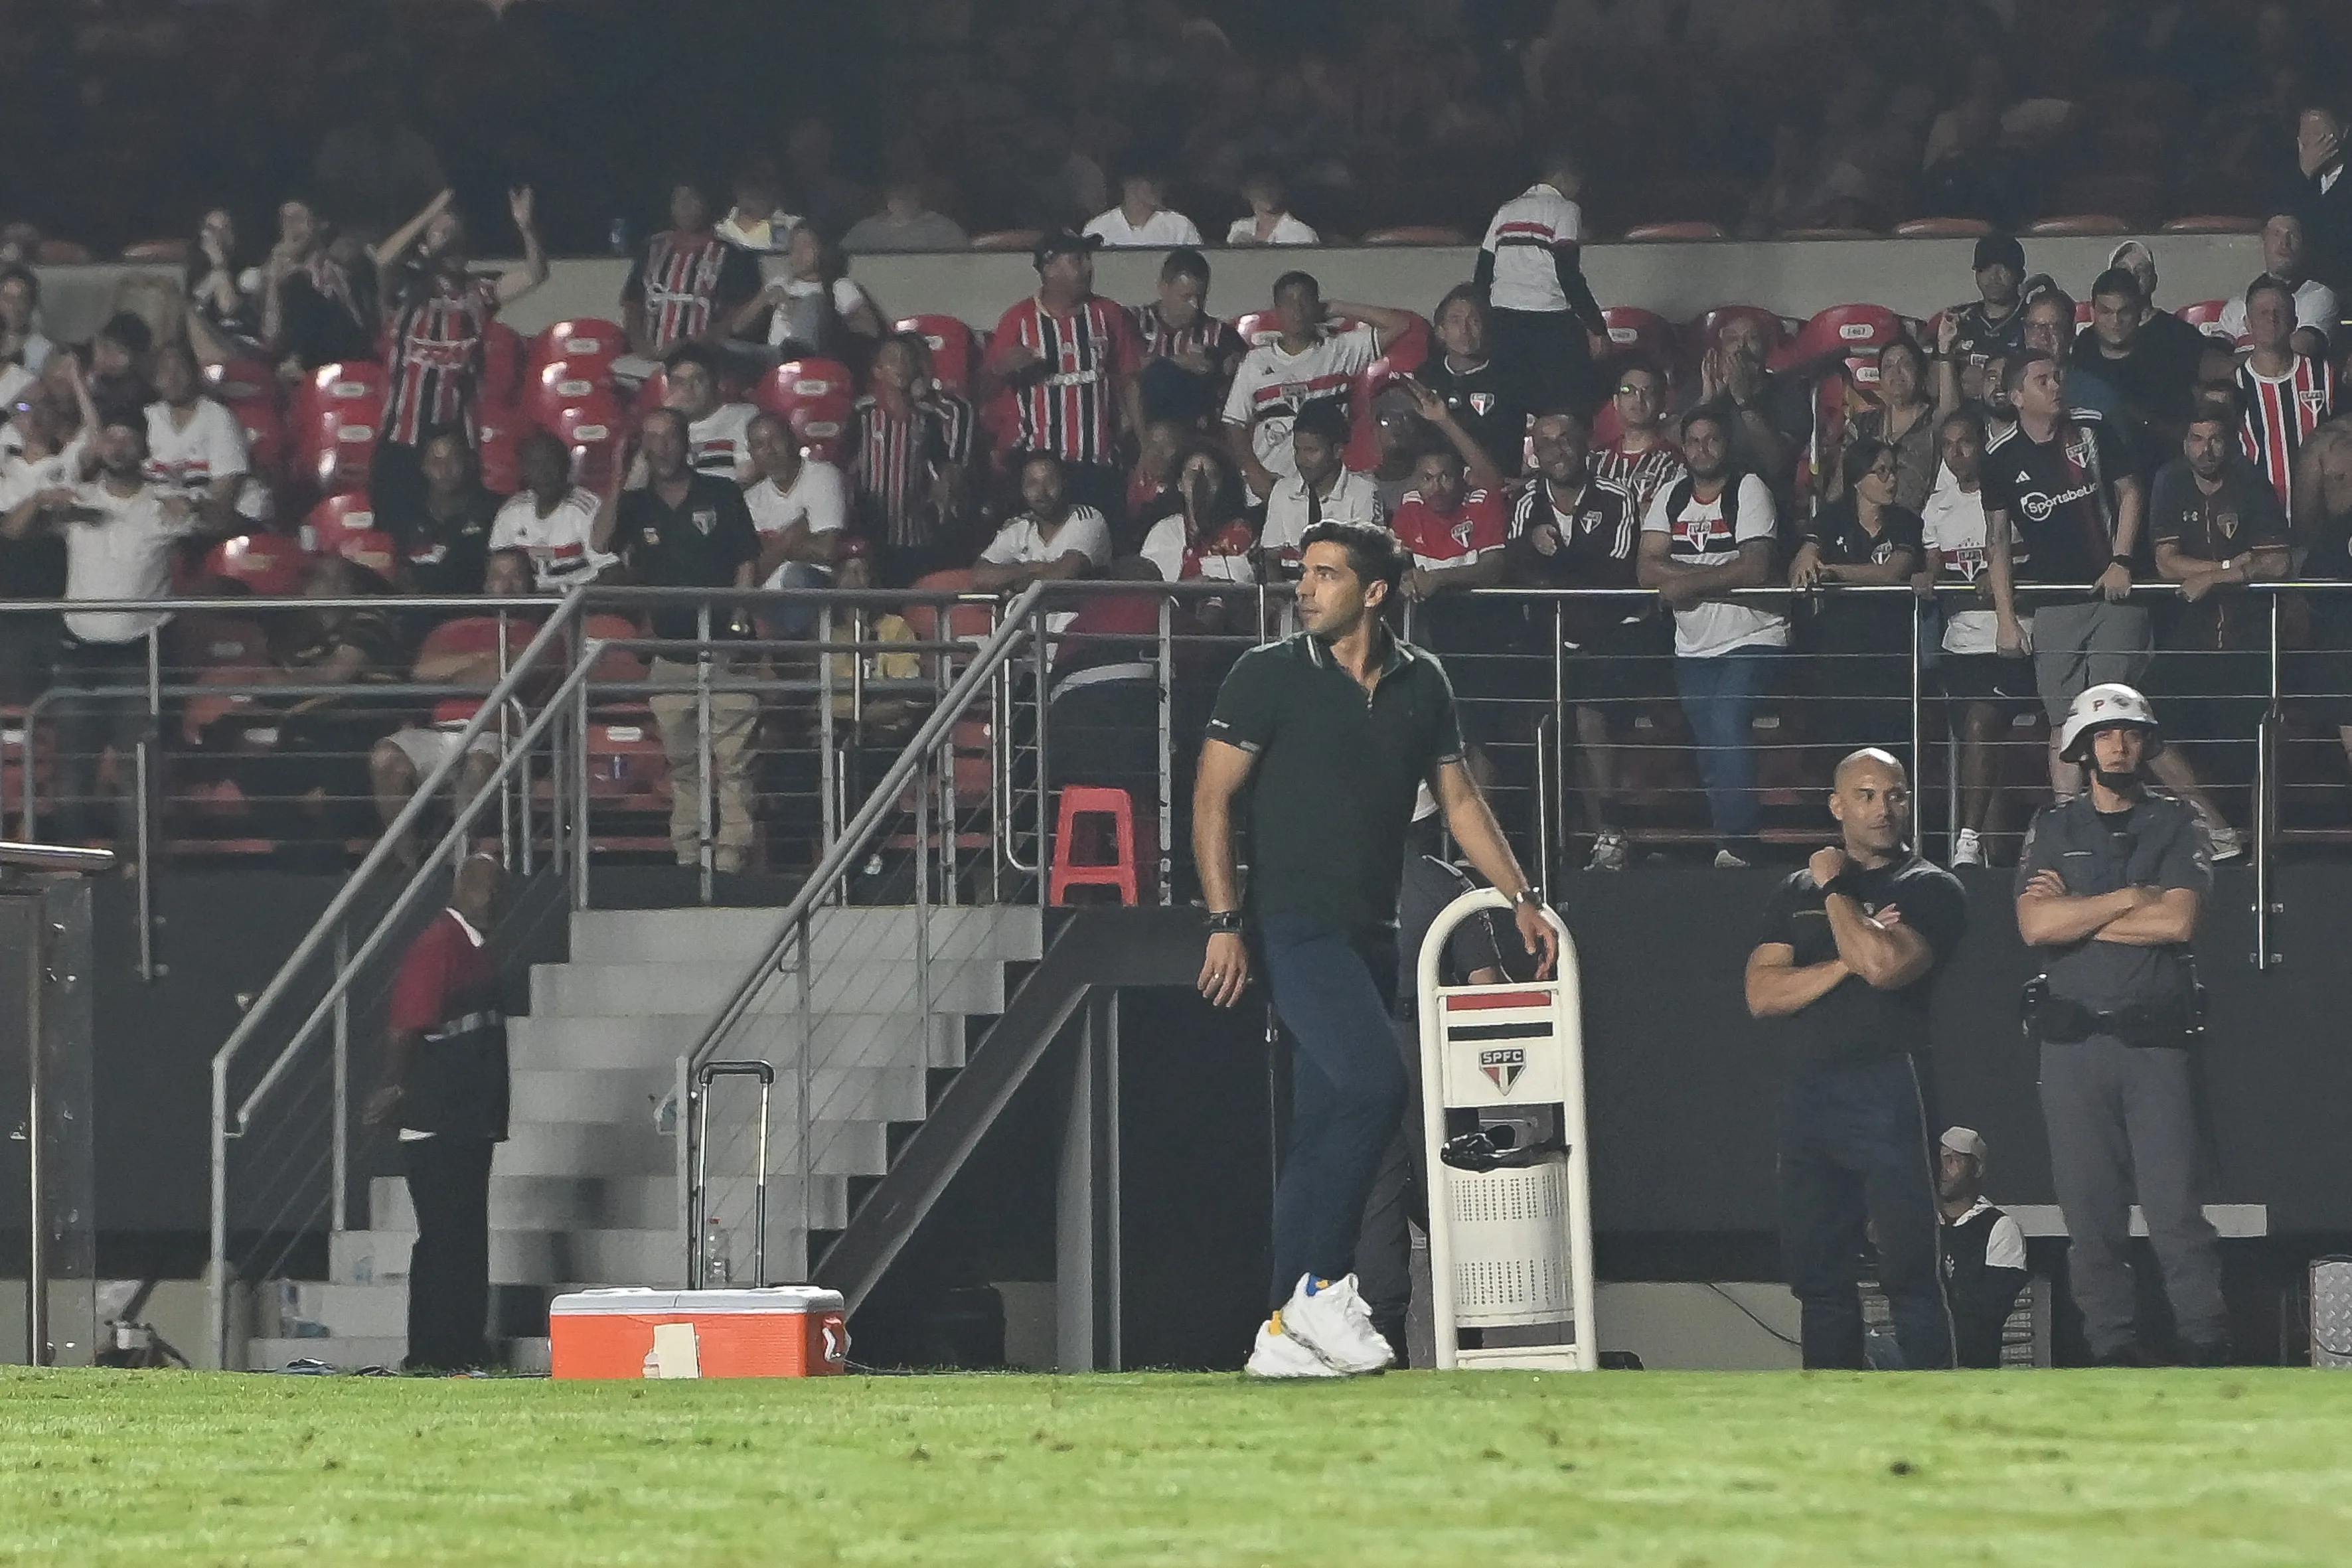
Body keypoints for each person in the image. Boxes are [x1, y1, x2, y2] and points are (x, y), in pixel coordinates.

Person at [1193, 519, 1557, 1379]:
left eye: (1325, 574)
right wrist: (1221, 920)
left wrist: (1520, 898)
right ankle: (1322, 1285)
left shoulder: (1420, 681)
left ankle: (1283, 1329)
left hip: (1372, 933)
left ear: (1374, 591)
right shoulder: (1266, 675)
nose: (1305, 587)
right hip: (1293, 925)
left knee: (1325, 1125)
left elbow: (1459, 801)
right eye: (1303, 574)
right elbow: (1210, 799)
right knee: (1375, 1083)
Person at [2017, 684, 2228, 1366]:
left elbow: (2180, 921)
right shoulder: (2053, 826)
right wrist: (2131, 897)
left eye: (2131, 733)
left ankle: (2204, 1345)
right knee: (2090, 1221)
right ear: (2082, 746)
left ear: (2147, 743)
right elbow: (2036, 925)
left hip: (2154, 1044)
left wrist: (2083, 912)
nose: (2119, 744)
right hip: (2073, 1048)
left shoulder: (2178, 822)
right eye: (2106, 734)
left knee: (2176, 1217)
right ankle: (2111, 1353)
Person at [1745, 747, 1963, 1370]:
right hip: (1810, 1091)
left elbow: (1887, 967)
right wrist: (1847, 956)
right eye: (1866, 795)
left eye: (1895, 795)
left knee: (1909, 1271)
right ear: (1837, 806)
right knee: (1819, 1276)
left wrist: (1836, 889)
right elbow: (1762, 995)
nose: (1882, 809)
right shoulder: (1791, 891)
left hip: (1892, 1084)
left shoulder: (1930, 887)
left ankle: (1935, 1413)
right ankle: (1827, 1411)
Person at [1, 415, 220, 858]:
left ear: (144, 448)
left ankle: (137, 870)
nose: (119, 446)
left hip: (140, 657)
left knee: (136, 770)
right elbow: (11, 530)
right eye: (111, 437)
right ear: (99, 448)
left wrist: (195, 510)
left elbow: (219, 525)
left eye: (128, 437)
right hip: (79, 654)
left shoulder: (163, 505)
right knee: (73, 770)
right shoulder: (77, 500)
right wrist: (42, 497)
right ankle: (70, 867)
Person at [1353, 812, 1511, 1364]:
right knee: (1456, 1196)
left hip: (1353, 1049)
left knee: (1375, 1202)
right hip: (1426, 1050)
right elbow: (1486, 989)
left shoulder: (1336, 875)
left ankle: (1381, 1354)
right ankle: (1474, 1345)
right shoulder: (1443, 882)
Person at [591, 407, 764, 872]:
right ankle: (689, 854)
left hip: (724, 647)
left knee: (733, 761)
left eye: (668, 437)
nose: (661, 448)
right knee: (682, 763)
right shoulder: (637, 503)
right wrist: (618, 475)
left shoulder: (721, 492)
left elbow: (746, 561)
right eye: (651, 439)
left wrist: (738, 619)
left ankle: (732, 856)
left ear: (686, 441)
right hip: (669, 651)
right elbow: (601, 541)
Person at [364, 852, 508, 1372]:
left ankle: (462, 1344)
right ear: (459, 888)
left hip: (467, 1118)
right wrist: (397, 1087)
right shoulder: (439, 947)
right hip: (439, 1118)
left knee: (464, 1238)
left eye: (497, 890)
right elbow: (407, 1025)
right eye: (482, 888)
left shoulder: (473, 949)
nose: (490, 899)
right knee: (447, 1240)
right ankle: (433, 1351)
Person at [1638, 408, 1786, 868]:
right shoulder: (1670, 494)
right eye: (1694, 441)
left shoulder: (1748, 489)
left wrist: (1683, 583)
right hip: (1693, 645)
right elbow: (1645, 568)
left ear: (1726, 444)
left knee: (1726, 724)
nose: (1702, 450)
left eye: (1711, 440)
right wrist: (1714, 575)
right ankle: (1727, 842)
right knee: (1707, 745)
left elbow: (1756, 567)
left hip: (1755, 636)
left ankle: (1741, 841)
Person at [1508, 407, 1655, 870]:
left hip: (1614, 636)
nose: (1558, 450)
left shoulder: (1616, 496)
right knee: (1532, 720)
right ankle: (1544, 843)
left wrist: (1554, 565)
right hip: (1548, 639)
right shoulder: (1525, 503)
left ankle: (1610, 833)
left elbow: (1614, 576)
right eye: (1546, 442)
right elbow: (1513, 569)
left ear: (1586, 443)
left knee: (1589, 713)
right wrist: (1533, 549)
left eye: (1566, 439)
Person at [2148, 405, 2290, 826]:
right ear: (2184, 443)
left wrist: (2213, 578)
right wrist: (2234, 567)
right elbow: (2165, 563)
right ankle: (2215, 825)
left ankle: (2264, 854)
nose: (2206, 449)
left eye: (2215, 439)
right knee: (2145, 718)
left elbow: (2279, 563)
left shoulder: (2250, 482)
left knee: (2256, 747)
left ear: (2229, 443)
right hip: (2188, 640)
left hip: (2249, 639)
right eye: (2197, 439)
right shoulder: (2169, 481)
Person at [371, 187, 547, 524]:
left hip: (456, 443)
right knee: (399, 538)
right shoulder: (406, 290)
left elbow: (536, 274)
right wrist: (431, 211)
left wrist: (526, 228)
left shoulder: (478, 292)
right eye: (442, 233)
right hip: (400, 443)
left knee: (456, 534)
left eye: (456, 232)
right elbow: (382, 260)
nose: (452, 239)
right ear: (422, 246)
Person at [372, 548, 537, 867]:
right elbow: (422, 672)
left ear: (531, 583)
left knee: (477, 764)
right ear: (486, 584)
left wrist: (456, 675)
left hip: (497, 734)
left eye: (516, 575)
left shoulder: (542, 629)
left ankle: (459, 867)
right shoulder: (454, 628)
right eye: (498, 576)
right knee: (384, 758)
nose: (507, 585)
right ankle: (411, 868)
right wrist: (481, 660)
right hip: (440, 732)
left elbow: (501, 679)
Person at [1920, 409, 2030, 868]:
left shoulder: (2008, 491)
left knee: (1982, 726)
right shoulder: (1936, 505)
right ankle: (1993, 851)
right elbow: (1931, 561)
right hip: (1958, 645)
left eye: (1964, 442)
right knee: (1974, 744)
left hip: (2008, 641)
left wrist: (2003, 570)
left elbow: (2032, 551)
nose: (1957, 452)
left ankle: (1965, 841)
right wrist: (1925, 578)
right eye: (1948, 446)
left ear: (1981, 441)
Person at [982, 230, 1143, 522]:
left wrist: (1143, 445)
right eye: (1078, 260)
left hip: (1097, 461)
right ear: (1049, 267)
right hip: (1035, 462)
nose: (1089, 268)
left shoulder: (1108, 314)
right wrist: (1004, 367)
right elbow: (987, 388)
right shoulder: (1018, 320)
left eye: (1088, 259)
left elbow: (1130, 381)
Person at [1222, 271, 1413, 499]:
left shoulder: (1341, 350)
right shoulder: (1256, 361)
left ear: (1316, 306)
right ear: (1276, 310)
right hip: (1271, 486)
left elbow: (1399, 325)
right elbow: (1234, 423)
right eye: (1289, 303)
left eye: (1305, 301)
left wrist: (1337, 307)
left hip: (1331, 491)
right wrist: (1253, 471)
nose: (1297, 310)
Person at [1790, 439, 1924, 753]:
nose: (1891, 480)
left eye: (1893, 471)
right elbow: (1802, 564)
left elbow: (1893, 573)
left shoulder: (1905, 522)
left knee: (1891, 748)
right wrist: (1807, 559)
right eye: (1880, 472)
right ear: (1857, 479)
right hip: (1841, 655)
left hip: (1891, 654)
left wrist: (1835, 571)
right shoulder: (1831, 518)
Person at [1475, 143, 1605, 414]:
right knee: (1564, 408)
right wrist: (1597, 326)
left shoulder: (1506, 210)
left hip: (1504, 323)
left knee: (1510, 410)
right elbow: (1568, 273)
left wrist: (1486, 320)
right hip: (1551, 324)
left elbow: (1483, 272)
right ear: (1565, 177)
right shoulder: (1566, 210)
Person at [848, 331, 975, 585]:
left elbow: (939, 465)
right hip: (870, 534)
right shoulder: (863, 414)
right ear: (878, 371)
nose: (901, 365)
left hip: (914, 535)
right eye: (892, 359)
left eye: (906, 359)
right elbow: (847, 463)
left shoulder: (927, 418)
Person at [969, 451, 1114, 633]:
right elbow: (979, 578)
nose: (1042, 492)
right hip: (1027, 643)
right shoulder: (1019, 528)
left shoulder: (1087, 518)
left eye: (1050, 482)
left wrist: (1010, 587)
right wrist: (1031, 569)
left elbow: (1062, 576)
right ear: (1022, 490)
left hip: (1079, 638)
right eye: (1032, 483)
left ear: (1064, 483)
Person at [2235, 277, 2338, 530]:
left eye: (2279, 312)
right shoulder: (2234, 385)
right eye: (2262, 313)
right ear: (2247, 324)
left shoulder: (2325, 376)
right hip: (2259, 525)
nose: (2271, 318)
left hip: (2322, 525)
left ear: (2295, 322)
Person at [2075, 268, 2199, 475]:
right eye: (2106, 312)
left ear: (2140, 313)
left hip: (2161, 470)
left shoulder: (2167, 357)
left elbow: (2184, 431)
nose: (2115, 322)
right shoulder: (2080, 355)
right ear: (2092, 313)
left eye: (2124, 312)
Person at [622, 178, 761, 358]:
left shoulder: (733, 256)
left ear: (707, 202)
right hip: (648, 359)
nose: (684, 206)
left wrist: (691, 346)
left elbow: (737, 319)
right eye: (678, 199)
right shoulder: (652, 250)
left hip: (707, 360)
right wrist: (642, 348)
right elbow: (632, 305)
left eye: (692, 198)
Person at [1695, 311, 1809, 513]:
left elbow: (1777, 465)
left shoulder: (1789, 395)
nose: (1741, 347)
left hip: (1768, 505)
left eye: (1752, 339)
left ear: (1766, 347)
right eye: (1733, 339)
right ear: (1721, 348)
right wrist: (1706, 402)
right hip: (1704, 505)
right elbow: (1671, 442)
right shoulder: (1705, 386)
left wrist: (1744, 401)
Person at [745, 411, 848, 629]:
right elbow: (753, 572)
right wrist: (794, 534)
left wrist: (773, 545)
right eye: (760, 445)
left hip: (816, 590)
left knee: (796, 576)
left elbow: (826, 551)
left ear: (792, 440)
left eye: (776, 440)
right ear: (751, 453)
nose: (770, 451)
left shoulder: (823, 476)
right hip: (767, 603)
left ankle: (794, 654)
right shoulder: (751, 499)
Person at [1259, 400, 1383, 578]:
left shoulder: (1364, 493)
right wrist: (1279, 600)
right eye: (1297, 450)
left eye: (1311, 451)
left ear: (1337, 451)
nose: (1301, 460)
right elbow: (1271, 556)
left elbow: (1367, 561)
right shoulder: (1283, 491)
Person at [1936, 1126, 2028, 1370]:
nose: (1943, 1168)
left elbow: (1987, 1313)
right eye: (1940, 1159)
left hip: (1970, 1370)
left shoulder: (1999, 1227)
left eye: (1954, 1160)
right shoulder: (1923, 1226)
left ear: (1976, 1169)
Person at [730, 222, 884, 363]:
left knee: (814, 300)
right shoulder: (779, 284)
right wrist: (763, 300)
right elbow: (737, 327)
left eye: (805, 246)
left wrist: (811, 314)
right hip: (773, 357)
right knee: (722, 350)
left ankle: (795, 353)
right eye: (793, 248)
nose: (797, 254)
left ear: (822, 250)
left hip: (815, 361)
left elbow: (871, 329)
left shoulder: (839, 287)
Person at [1412, 283, 1522, 481]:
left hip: (1491, 491)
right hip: (1435, 489)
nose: (1465, 330)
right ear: (1441, 332)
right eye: (1456, 320)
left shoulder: (1509, 381)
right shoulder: (1426, 376)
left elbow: (1503, 466)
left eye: (1474, 321)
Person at [141, 340, 251, 533]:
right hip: (156, 523)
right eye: (164, 372)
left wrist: (194, 509)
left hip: (206, 524)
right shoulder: (147, 417)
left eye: (180, 369)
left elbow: (224, 493)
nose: (172, 378)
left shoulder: (218, 417)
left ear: (194, 372)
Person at [1130, 248, 1244, 430]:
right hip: (1140, 427)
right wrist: (1175, 363)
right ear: (1163, 287)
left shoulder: (1220, 334)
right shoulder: (1133, 323)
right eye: (1186, 297)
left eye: (1200, 297)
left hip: (1198, 432)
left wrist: (1216, 365)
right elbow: (1121, 369)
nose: (1195, 306)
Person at [256, 196, 373, 374]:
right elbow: (270, 337)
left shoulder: (339, 268)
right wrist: (274, 280)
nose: (291, 227)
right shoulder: (269, 274)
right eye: (285, 220)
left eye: (299, 219)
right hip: (295, 369)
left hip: (344, 359)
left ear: (320, 224)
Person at [490, 430, 613, 593]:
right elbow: (495, 573)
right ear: (524, 470)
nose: (544, 472)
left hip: (575, 607)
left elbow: (609, 571)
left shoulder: (588, 507)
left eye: (551, 462)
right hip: (524, 608)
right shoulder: (511, 511)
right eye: (535, 464)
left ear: (566, 466)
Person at [384, 427, 499, 599]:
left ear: (468, 462)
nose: (445, 470)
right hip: (417, 612)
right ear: (423, 466)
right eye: (436, 461)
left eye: (454, 460)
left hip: (472, 609)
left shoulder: (490, 510)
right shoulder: (406, 513)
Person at [1826, 337, 1936, 513]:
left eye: (1905, 364)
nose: (1896, 372)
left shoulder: (1936, 422)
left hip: (1920, 524)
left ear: (1921, 373)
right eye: (1888, 367)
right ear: (1881, 380)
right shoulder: (1862, 424)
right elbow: (1840, 485)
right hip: (1865, 525)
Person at [1138, 442, 1257, 588]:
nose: (1201, 484)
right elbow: (1153, 588)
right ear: (1179, 484)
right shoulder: (1164, 530)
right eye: (1193, 475)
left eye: (1211, 475)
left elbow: (1226, 585)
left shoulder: (1238, 529)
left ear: (1222, 484)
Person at [2216, 214, 2337, 356]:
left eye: (2292, 235)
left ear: (2303, 245)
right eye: (2276, 234)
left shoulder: (2319, 297)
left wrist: (2236, 366)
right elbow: (2212, 360)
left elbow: (2297, 351)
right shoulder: (2237, 304)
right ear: (2264, 241)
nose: (2284, 243)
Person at [1936, 233, 2030, 415]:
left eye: (2004, 268)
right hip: (1963, 423)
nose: (1994, 276)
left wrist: (1989, 383)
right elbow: (1932, 386)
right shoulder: (1958, 320)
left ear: (2021, 275)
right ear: (1976, 274)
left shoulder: (2034, 321)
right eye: (1985, 267)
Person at [1592, 362, 1685, 519]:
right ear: (1616, 401)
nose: (1638, 399)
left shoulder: (1674, 463)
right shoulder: (1596, 460)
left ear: (1662, 403)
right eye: (1628, 391)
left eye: (1648, 392)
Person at [660, 343, 756, 481]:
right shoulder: (662, 428)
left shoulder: (745, 417)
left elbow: (748, 477)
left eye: (698, 379)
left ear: (716, 383)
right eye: (679, 382)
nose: (688, 388)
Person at [2288, 104, 2352, 293]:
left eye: (2320, 132)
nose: (2313, 141)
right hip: (2301, 289)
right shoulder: (2292, 180)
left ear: (2343, 132)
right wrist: (2304, 175)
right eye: (2307, 133)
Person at [1082, 161, 1204, 248]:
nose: (1159, 186)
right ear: (1128, 182)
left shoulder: (1180, 226)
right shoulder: (1097, 228)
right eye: (1152, 180)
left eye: (1160, 180)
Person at [841, 175, 970, 254]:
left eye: (908, 191)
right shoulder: (864, 231)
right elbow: (844, 260)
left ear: (920, 194)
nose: (902, 196)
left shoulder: (944, 229)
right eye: (896, 190)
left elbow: (960, 263)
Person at [712, 155, 801, 255]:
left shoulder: (796, 232)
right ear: (735, 184)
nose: (758, 188)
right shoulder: (715, 232)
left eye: (767, 180)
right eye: (752, 179)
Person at [1227, 168, 1318, 247]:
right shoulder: (1239, 228)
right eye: (1261, 187)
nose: (1268, 193)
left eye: (1272, 186)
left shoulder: (1300, 233)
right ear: (1246, 192)